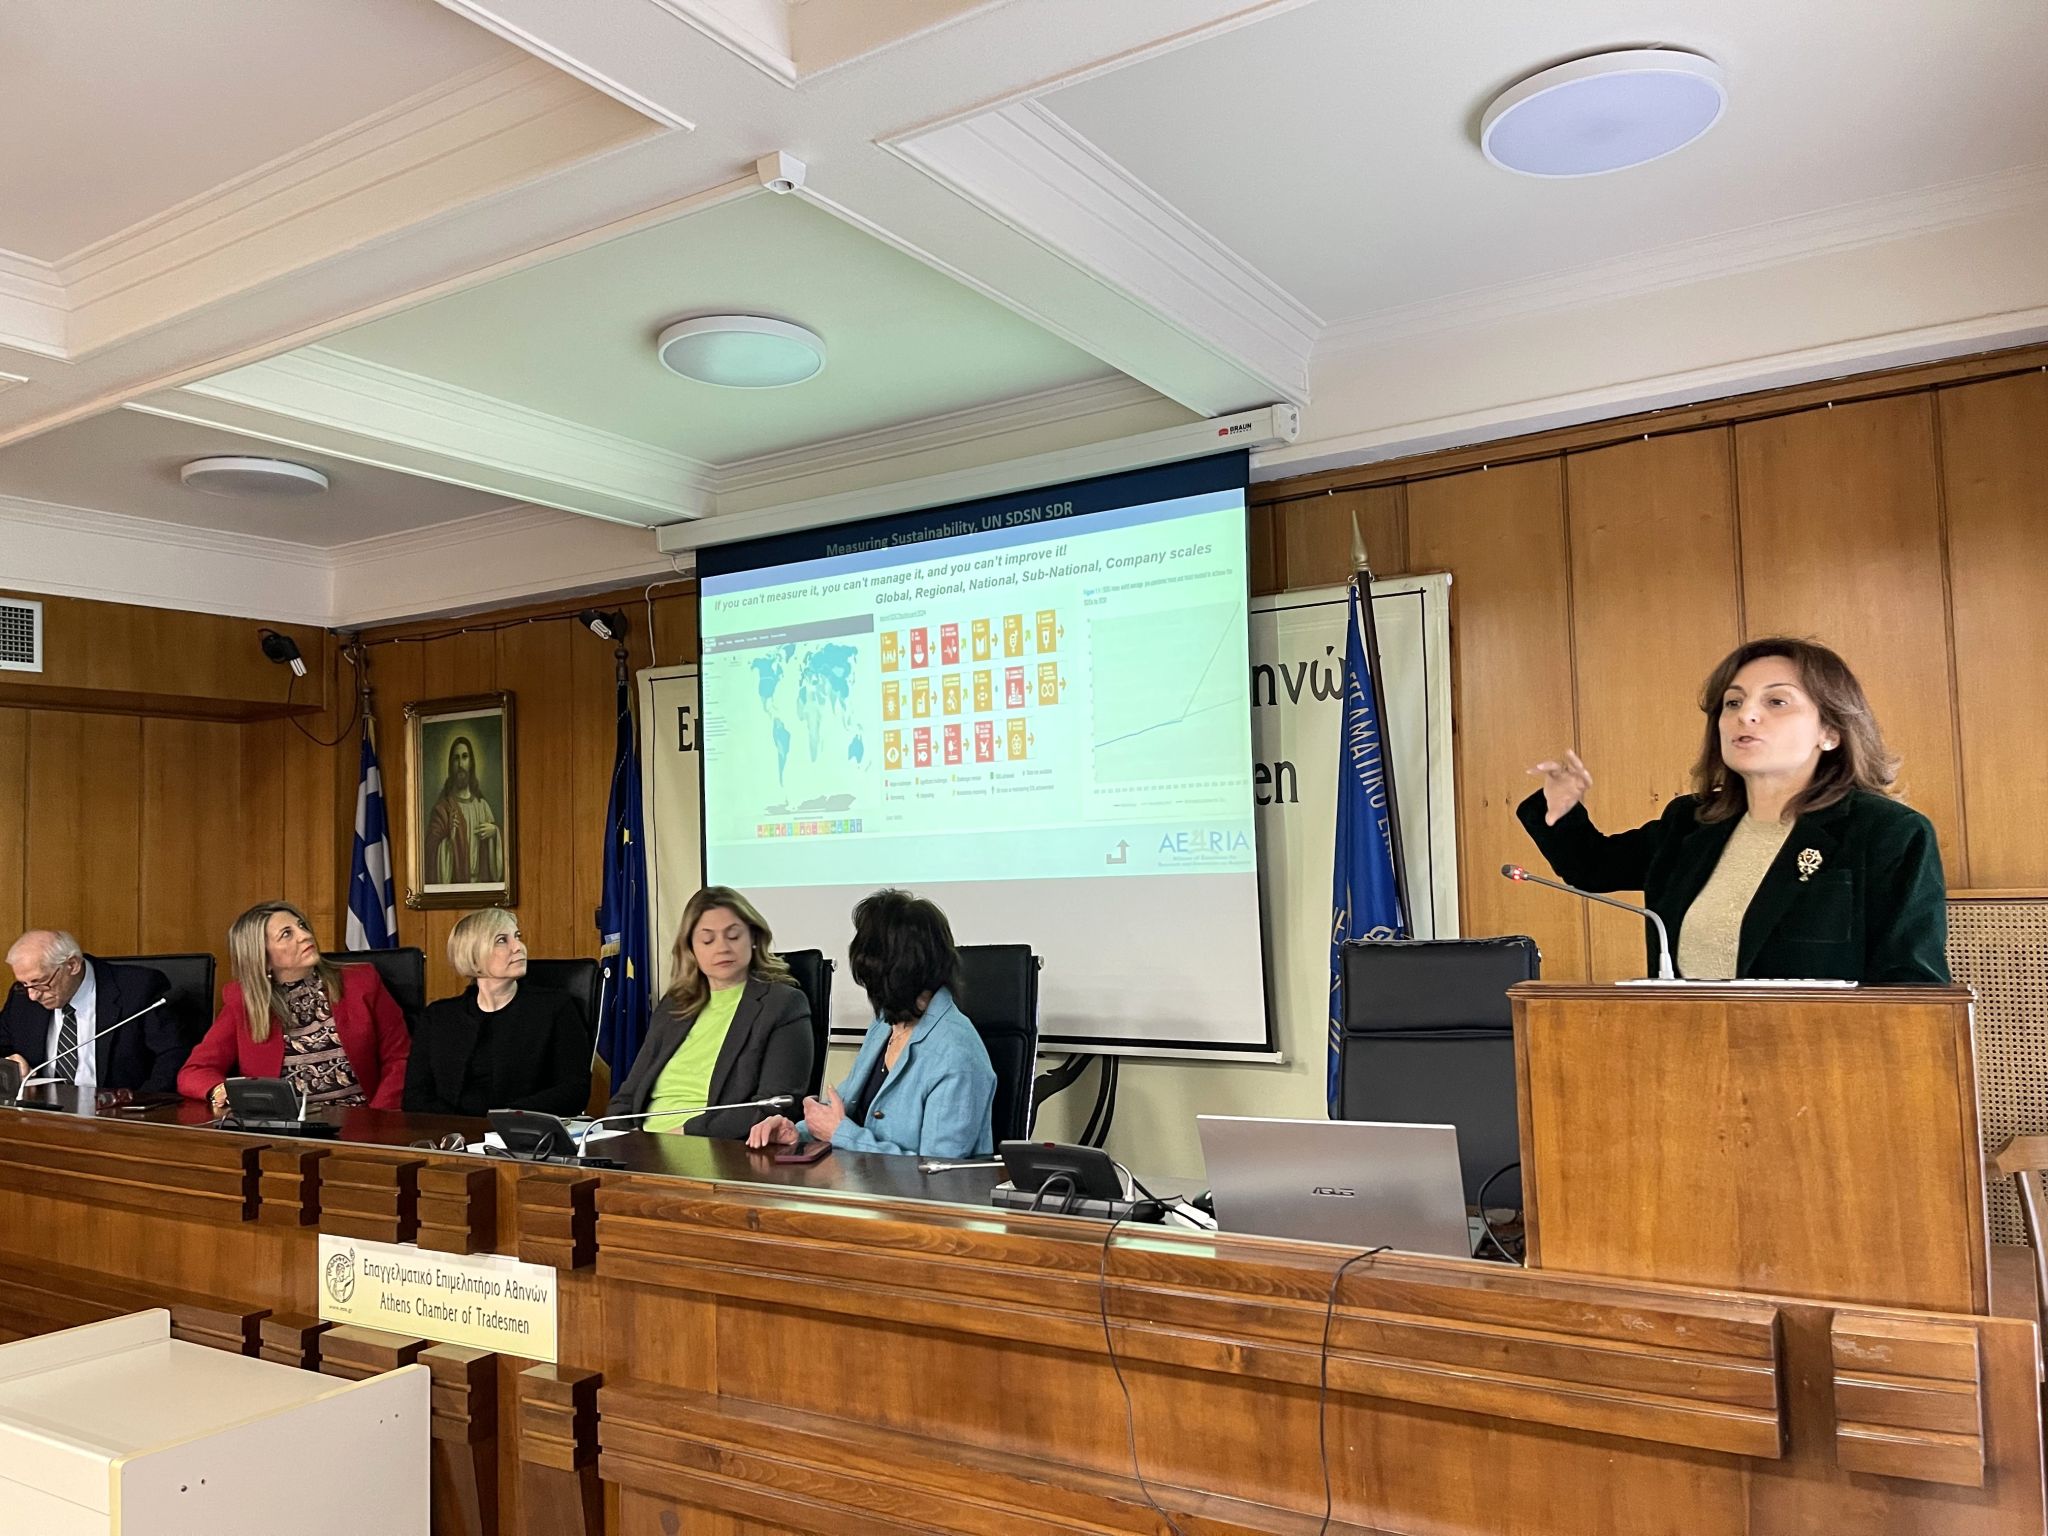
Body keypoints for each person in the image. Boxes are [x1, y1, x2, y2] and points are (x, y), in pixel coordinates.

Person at [1519, 637, 1949, 985]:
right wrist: (1562, 808)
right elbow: (1592, 868)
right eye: (1733, 703)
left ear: (1830, 732)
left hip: (1824, 1058)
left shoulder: (1886, 832)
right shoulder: (1690, 823)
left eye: (1776, 702)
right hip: (1689, 1050)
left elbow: (1912, 981)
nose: (1747, 716)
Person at [749, 889, 995, 1158]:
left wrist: (841, 1134)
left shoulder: (957, 1055)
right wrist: (796, 1131)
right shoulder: (885, 1025)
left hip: (909, 1187)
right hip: (856, 1178)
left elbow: (939, 1171)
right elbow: (842, 1108)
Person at [605, 887, 813, 1139]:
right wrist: (621, 1137)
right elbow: (627, 1097)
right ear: (691, 949)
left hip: (710, 1145)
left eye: (733, 936)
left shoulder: (782, 1004)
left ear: (754, 937)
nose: (722, 947)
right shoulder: (675, 1005)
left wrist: (682, 1133)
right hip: (642, 1143)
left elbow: (776, 1105)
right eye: (707, 940)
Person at [178, 902, 412, 1113]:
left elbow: (399, 1059)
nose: (305, 935)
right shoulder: (244, 1000)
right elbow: (195, 1071)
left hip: (360, 1126)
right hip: (281, 1130)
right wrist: (219, 1089)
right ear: (262, 956)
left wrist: (379, 1118)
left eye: (302, 926)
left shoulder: (361, 982)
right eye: (287, 934)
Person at [403, 909, 589, 1118]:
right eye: (502, 940)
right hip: (449, 1133)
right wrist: (458, 1127)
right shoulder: (438, 1017)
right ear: (473, 954)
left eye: (517, 937)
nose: (518, 947)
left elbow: (574, 1091)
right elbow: (415, 1098)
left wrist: (505, 1118)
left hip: (521, 1131)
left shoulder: (555, 1008)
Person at [2, 930, 183, 1095]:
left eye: (41, 982)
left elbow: (172, 1055)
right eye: (24, 984)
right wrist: (8, 1062)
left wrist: (139, 1106)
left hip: (115, 1111)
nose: (32, 995)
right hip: (39, 1112)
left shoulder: (138, 988)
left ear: (72, 965)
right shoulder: (22, 998)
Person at [426, 735, 500, 885]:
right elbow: (429, 852)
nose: (460, 764)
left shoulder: (482, 807)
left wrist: (495, 833)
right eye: (456, 759)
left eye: (465, 757)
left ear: (471, 762)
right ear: (450, 765)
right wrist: (448, 841)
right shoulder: (442, 810)